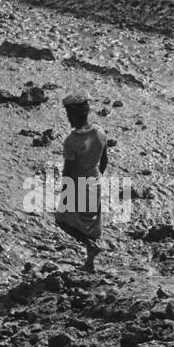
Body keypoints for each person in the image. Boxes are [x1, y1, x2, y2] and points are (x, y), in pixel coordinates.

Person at [54, 92, 108, 272]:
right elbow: (104, 161)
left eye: (69, 116)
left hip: (78, 186)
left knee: (61, 220)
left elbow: (68, 172)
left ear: (74, 116)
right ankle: (89, 262)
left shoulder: (72, 142)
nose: (68, 120)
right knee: (90, 222)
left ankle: (90, 246)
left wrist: (65, 194)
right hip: (95, 181)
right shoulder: (100, 132)